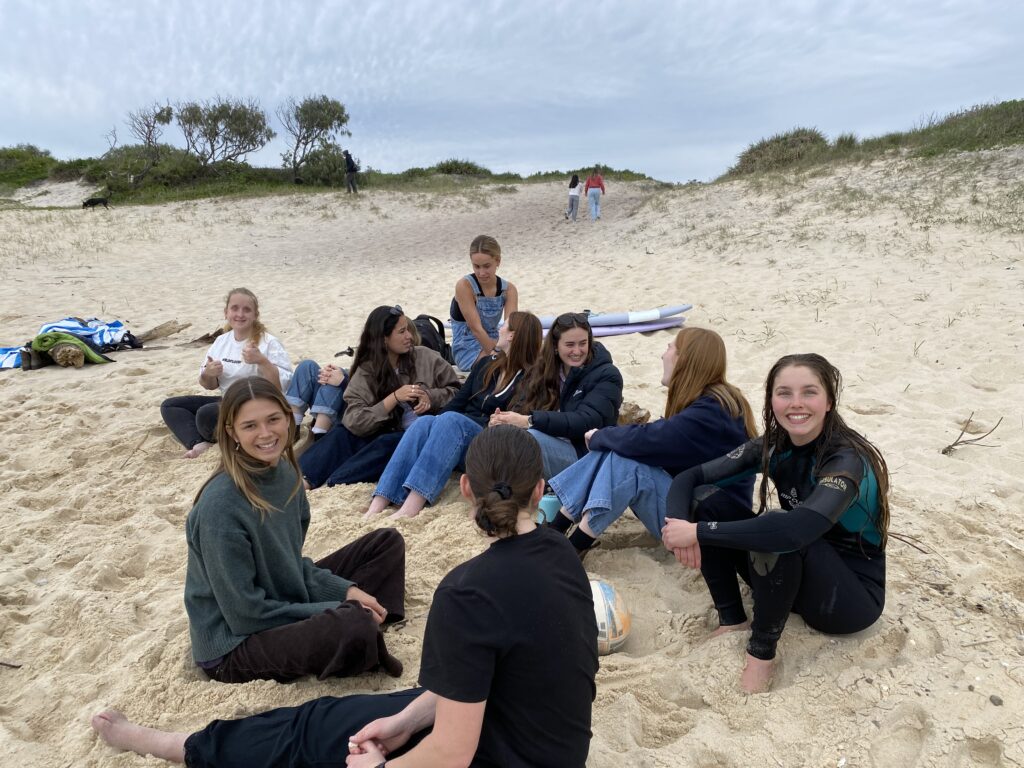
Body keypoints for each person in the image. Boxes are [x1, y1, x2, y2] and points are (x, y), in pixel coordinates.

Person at [91, 426, 599, 768]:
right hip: (546, 743)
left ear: (465, 488)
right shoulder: (561, 554)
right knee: (372, 715)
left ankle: (183, 747)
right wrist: (404, 722)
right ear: (540, 490)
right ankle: (197, 744)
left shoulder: (466, 592)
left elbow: (451, 754)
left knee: (315, 728)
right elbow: (492, 681)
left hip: (498, 749)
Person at [662, 353, 891, 693]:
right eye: (784, 393)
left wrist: (697, 532)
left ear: (829, 401)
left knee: (777, 527)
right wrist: (678, 524)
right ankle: (732, 618)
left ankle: (761, 655)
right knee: (705, 499)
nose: (796, 403)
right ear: (771, 400)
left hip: (846, 602)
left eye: (809, 392)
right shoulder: (775, 445)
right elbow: (689, 478)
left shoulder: (846, 459)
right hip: (789, 577)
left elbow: (793, 531)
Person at [182, 376, 406, 685]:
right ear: (232, 433)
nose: (265, 433)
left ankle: (373, 617)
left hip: (277, 595)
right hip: (233, 643)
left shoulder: (287, 475)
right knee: (352, 622)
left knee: (385, 542)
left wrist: (345, 591)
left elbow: (290, 565)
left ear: (289, 419)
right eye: (250, 426)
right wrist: (339, 605)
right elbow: (245, 614)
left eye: (273, 419)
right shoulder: (220, 508)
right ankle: (363, 624)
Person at [547, 327, 757, 558]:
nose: (663, 355)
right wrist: (606, 439)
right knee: (616, 449)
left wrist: (600, 436)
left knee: (626, 462)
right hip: (698, 512)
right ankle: (557, 528)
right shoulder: (713, 403)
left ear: (684, 359)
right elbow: (654, 438)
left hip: (706, 533)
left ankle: (573, 546)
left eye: (669, 348)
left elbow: (650, 439)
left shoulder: (711, 412)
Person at [366, 311, 543, 519]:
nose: (500, 329)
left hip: (492, 443)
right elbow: (457, 402)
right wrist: (436, 424)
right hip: (460, 437)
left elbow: (512, 419)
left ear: (512, 335)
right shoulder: (486, 365)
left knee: (452, 420)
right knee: (424, 422)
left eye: (504, 326)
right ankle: (380, 500)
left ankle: (412, 505)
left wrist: (453, 422)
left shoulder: (531, 377)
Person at [299, 305, 461, 489]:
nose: (409, 336)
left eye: (408, 329)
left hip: (418, 436)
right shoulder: (367, 371)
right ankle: (302, 480)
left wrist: (430, 397)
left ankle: (335, 483)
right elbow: (354, 420)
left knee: (386, 444)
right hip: (381, 429)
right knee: (341, 434)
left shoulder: (426, 357)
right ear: (384, 339)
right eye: (402, 331)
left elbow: (457, 391)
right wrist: (393, 398)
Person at [160, 288, 293, 459]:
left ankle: (231, 436)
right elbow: (208, 385)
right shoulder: (221, 341)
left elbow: (282, 387)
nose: (240, 314)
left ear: (255, 315)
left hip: (257, 403)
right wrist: (209, 373)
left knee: (206, 414)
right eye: (235, 308)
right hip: (228, 400)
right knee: (170, 406)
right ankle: (198, 443)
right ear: (226, 312)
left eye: (247, 310)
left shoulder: (268, 342)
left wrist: (262, 361)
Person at [491, 312, 622, 478]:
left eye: (583, 343)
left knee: (528, 440)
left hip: (586, 455)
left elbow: (587, 421)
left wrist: (529, 421)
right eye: (570, 345)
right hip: (549, 443)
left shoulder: (607, 374)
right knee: (499, 436)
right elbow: (521, 404)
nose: (577, 351)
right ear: (555, 346)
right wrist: (503, 420)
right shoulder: (544, 368)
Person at [449, 235, 519, 371]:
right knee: (497, 367)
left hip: (497, 340)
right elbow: (476, 329)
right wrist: (497, 355)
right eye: (476, 266)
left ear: (498, 261)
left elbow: (510, 327)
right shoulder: (465, 286)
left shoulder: (509, 289)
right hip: (467, 346)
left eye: (487, 266)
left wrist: (508, 350)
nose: (481, 273)